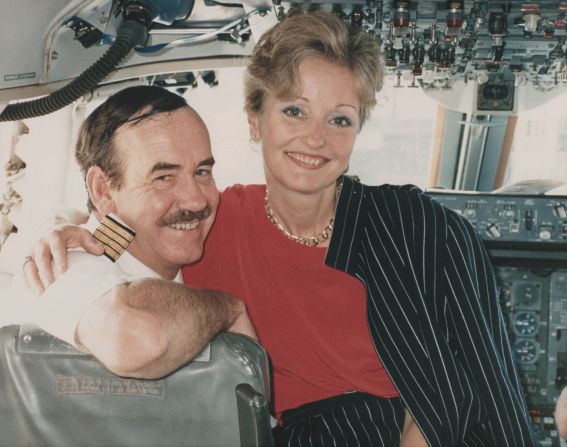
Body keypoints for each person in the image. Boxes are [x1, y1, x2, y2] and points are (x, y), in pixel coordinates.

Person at [22, 7, 536, 446]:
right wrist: (71, 228)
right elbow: (135, 225)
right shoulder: (210, 220)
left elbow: (459, 389)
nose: (316, 139)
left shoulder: (417, 227)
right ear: (254, 120)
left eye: (340, 119)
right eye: (294, 111)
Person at [2, 85, 255, 378]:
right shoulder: (60, 264)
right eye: (163, 177)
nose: (196, 200)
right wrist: (227, 309)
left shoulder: (126, 246)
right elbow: (136, 340)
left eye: (202, 172)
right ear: (103, 189)